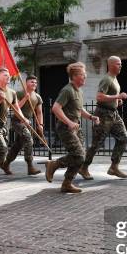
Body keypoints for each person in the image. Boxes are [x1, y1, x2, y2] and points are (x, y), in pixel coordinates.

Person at [45, 62, 99, 193]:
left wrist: (91, 117)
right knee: (79, 156)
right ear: (74, 76)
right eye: (82, 74)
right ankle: (54, 164)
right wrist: (69, 122)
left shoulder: (79, 91)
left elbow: (79, 110)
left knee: (81, 156)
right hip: (65, 127)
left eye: (85, 74)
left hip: (75, 127)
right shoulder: (67, 90)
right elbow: (56, 108)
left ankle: (67, 183)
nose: (85, 76)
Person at [80, 56, 127, 180]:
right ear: (111, 65)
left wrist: (117, 100)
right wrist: (118, 96)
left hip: (113, 114)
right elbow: (100, 97)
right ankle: (83, 167)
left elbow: (110, 97)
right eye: (118, 64)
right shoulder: (107, 79)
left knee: (123, 138)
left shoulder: (115, 79)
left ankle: (114, 167)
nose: (120, 66)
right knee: (97, 144)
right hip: (103, 114)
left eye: (121, 64)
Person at [2, 75, 43, 176]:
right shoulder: (19, 93)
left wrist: (40, 125)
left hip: (28, 122)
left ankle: (6, 164)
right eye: (32, 82)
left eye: (35, 82)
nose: (34, 84)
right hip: (17, 121)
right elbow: (15, 108)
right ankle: (30, 167)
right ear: (26, 83)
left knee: (18, 145)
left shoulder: (37, 97)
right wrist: (25, 98)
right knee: (29, 139)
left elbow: (39, 112)